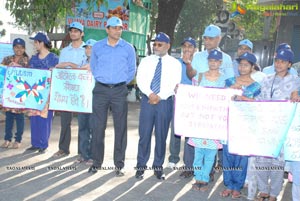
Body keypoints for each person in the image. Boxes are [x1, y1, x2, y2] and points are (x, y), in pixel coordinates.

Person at [88, 16, 136, 176]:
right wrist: (103, 80)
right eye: (115, 28)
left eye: (120, 28)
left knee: (120, 128)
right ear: (107, 29)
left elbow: (131, 70)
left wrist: (121, 83)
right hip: (100, 90)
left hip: (119, 91)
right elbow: (93, 67)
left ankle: (119, 164)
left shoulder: (128, 48)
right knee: (98, 127)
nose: (118, 30)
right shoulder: (98, 47)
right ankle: (96, 162)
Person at [255, 48, 300, 201]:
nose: (279, 64)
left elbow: (295, 98)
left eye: (283, 61)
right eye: (277, 61)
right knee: (261, 160)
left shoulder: (294, 80)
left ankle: (274, 193)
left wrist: (296, 97)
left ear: (289, 64)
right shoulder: (266, 79)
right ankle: (263, 191)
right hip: (265, 126)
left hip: (282, 128)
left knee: (276, 163)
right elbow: (259, 99)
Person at [135, 32, 181, 180]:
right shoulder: (146, 61)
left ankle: (158, 167)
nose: (156, 46)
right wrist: (150, 94)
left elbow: (175, 83)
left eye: (159, 44)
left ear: (168, 46)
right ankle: (141, 166)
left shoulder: (175, 63)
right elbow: (140, 79)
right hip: (148, 100)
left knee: (161, 135)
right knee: (144, 134)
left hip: (165, 102)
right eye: (154, 44)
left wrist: (159, 96)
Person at [220, 52, 261, 199]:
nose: (242, 68)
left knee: (241, 157)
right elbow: (220, 99)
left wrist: (241, 95)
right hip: (229, 124)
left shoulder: (256, 86)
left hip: (245, 126)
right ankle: (228, 184)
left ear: (252, 67)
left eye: (246, 65)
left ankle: (237, 186)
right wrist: (231, 91)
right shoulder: (230, 81)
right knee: (228, 155)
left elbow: (259, 106)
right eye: (240, 64)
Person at [189, 49, 225, 191]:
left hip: (214, 123)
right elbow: (192, 94)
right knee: (198, 153)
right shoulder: (200, 76)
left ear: (220, 62)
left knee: (210, 154)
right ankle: (197, 177)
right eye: (211, 60)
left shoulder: (224, 79)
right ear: (208, 61)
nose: (213, 63)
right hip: (200, 121)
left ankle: (204, 179)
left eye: (216, 61)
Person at [53, 22, 87, 157]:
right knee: (65, 121)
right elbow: (60, 67)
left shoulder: (87, 49)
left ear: (82, 33)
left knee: (83, 121)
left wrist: (70, 65)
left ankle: (82, 151)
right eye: (71, 31)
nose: (73, 33)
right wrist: (66, 65)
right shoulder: (64, 50)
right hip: (66, 89)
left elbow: (88, 67)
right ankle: (63, 148)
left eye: (76, 31)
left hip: (82, 89)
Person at [25, 32, 59, 153]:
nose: (34, 44)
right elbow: (28, 73)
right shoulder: (33, 58)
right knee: (34, 117)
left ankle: (43, 144)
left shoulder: (54, 58)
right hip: (33, 92)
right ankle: (35, 143)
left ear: (41, 43)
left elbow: (58, 76)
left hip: (47, 94)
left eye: (35, 42)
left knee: (45, 118)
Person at [167, 37, 196, 179]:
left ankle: (188, 162)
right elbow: (170, 79)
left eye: (190, 46)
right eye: (185, 46)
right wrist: (173, 86)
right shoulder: (176, 63)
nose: (187, 49)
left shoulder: (198, 63)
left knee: (190, 132)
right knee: (176, 129)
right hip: (178, 99)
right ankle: (173, 158)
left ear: (195, 49)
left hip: (193, 101)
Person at [0, 38, 29, 149]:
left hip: (21, 94)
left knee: (20, 118)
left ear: (24, 49)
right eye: (16, 47)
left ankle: (18, 140)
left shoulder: (27, 61)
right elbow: (1, 73)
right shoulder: (6, 60)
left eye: (21, 47)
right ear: (13, 48)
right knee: (9, 117)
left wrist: (20, 68)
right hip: (8, 94)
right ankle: (7, 139)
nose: (19, 49)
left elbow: (31, 75)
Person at [75, 38, 97, 165]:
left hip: (94, 100)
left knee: (94, 128)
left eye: (91, 48)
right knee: (83, 128)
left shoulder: (99, 63)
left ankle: (93, 156)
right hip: (82, 100)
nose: (88, 50)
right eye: (87, 47)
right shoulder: (82, 62)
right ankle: (84, 154)